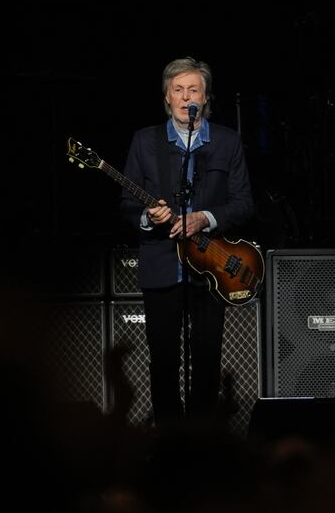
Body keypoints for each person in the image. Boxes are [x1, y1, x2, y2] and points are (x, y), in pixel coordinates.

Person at [119, 56, 254, 427]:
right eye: (177, 89)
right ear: (166, 96)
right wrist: (149, 217)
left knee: (207, 357)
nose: (185, 96)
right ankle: (169, 442)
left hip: (210, 265)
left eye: (193, 89)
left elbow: (244, 204)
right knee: (162, 358)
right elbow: (128, 206)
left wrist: (204, 218)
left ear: (205, 97)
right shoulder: (145, 141)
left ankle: (202, 440)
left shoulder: (226, 141)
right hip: (162, 264)